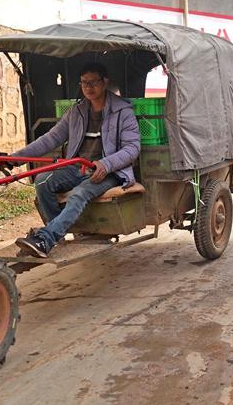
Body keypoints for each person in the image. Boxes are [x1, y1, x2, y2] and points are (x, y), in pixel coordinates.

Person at [10, 62, 141, 258]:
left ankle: (47, 238)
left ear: (105, 82)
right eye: (84, 83)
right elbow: (51, 138)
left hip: (110, 171)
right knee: (42, 181)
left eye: (93, 82)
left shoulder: (123, 111)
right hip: (78, 167)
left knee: (79, 193)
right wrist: (15, 158)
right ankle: (56, 235)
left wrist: (106, 164)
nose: (88, 87)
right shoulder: (76, 111)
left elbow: (132, 148)